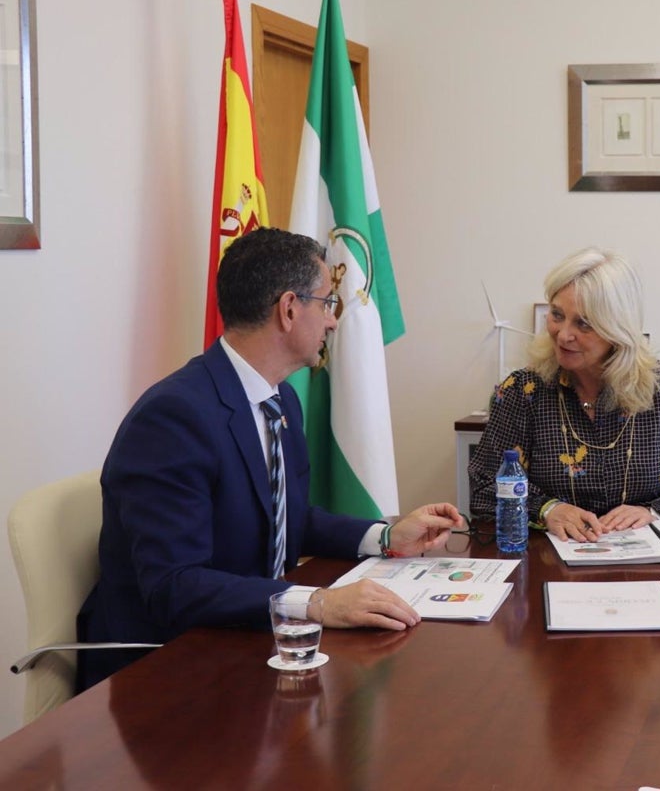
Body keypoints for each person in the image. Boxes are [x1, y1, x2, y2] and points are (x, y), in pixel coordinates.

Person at [77, 228, 462, 689]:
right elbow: (174, 587)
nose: (333, 322)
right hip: (164, 669)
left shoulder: (279, 400)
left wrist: (385, 536)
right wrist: (317, 602)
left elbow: (285, 517)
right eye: (327, 304)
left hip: (245, 641)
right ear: (289, 309)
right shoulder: (173, 418)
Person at [468, 247, 660, 542]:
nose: (563, 335)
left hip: (649, 562)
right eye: (557, 315)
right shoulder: (523, 391)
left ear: (617, 329)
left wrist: (655, 512)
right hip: (547, 562)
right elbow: (484, 487)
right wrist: (547, 509)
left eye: (584, 324)